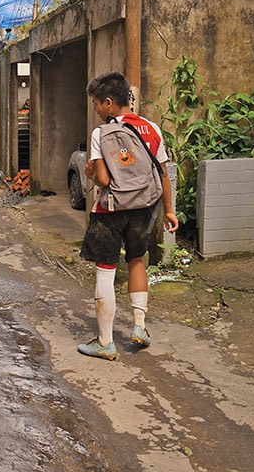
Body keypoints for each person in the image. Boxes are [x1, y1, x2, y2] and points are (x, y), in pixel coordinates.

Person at [77, 71, 179, 360]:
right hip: (145, 208)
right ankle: (138, 326)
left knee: (106, 270)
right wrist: (169, 211)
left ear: (108, 103)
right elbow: (163, 174)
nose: (96, 110)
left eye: (97, 103)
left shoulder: (102, 134)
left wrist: (90, 174)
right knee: (137, 261)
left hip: (110, 211)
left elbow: (104, 180)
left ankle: (106, 342)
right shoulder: (152, 128)